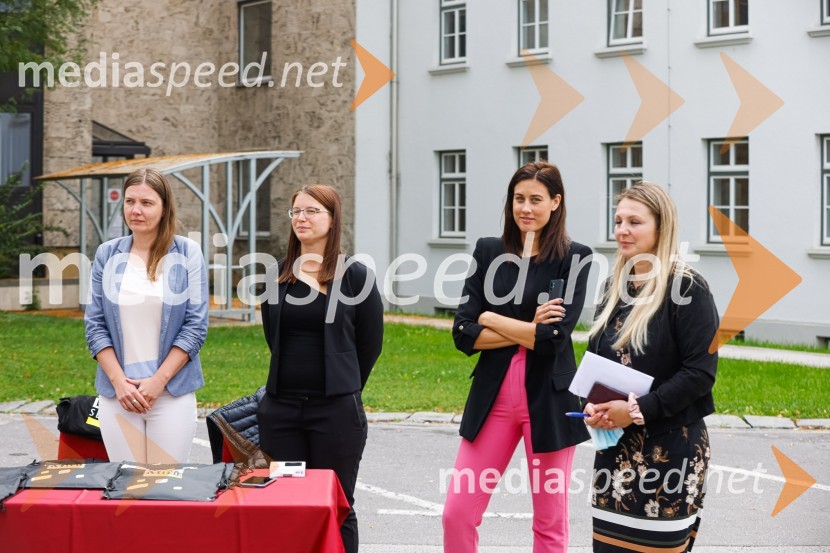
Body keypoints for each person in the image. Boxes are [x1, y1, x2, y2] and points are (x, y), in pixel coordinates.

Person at [444, 161, 592, 553]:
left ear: (556, 202)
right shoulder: (489, 251)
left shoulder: (576, 258)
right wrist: (527, 327)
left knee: (549, 523)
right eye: (519, 198)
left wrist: (490, 317)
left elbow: (553, 339)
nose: (526, 208)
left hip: (550, 400)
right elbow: (462, 333)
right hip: (492, 398)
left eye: (536, 200)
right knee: (456, 513)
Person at [584, 182, 719, 552]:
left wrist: (636, 411)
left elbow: (700, 373)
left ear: (661, 227)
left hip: (671, 450)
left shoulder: (688, 288)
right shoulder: (615, 286)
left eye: (634, 222)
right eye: (618, 221)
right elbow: (599, 361)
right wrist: (593, 405)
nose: (622, 230)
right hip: (614, 451)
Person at [257, 184, 384, 553]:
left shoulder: (355, 276)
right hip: (281, 412)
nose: (302, 218)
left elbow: (370, 345)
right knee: (287, 506)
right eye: (296, 211)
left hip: (336, 413)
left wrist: (342, 384)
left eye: (312, 211)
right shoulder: (276, 275)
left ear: (332, 219)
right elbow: (272, 337)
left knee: (337, 507)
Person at [85, 168, 208, 464]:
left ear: (164, 207)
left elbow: (195, 326)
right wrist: (119, 383)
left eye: (147, 203)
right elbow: (95, 325)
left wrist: (157, 382)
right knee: (127, 491)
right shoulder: (107, 254)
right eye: (130, 202)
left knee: (163, 491)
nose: (136, 210)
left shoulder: (188, 252)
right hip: (118, 395)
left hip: (170, 394)